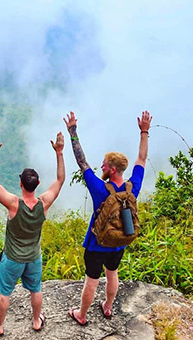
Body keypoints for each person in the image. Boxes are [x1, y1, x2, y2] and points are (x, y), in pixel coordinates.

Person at [65, 110, 152, 325]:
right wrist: (144, 131)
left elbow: (81, 162)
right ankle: (108, 307)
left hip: (97, 244)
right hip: (119, 242)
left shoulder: (99, 189)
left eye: (104, 164)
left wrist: (73, 132)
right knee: (112, 273)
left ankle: (82, 315)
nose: (101, 166)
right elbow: (142, 158)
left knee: (92, 280)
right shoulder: (133, 187)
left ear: (112, 169)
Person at [0, 131, 65, 336]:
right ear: (37, 185)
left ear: (21, 184)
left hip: (12, 259)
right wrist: (59, 153)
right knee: (35, 289)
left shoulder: (13, 205)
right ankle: (37, 321)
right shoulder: (44, 204)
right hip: (33, 257)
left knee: (5, 293)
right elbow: (60, 180)